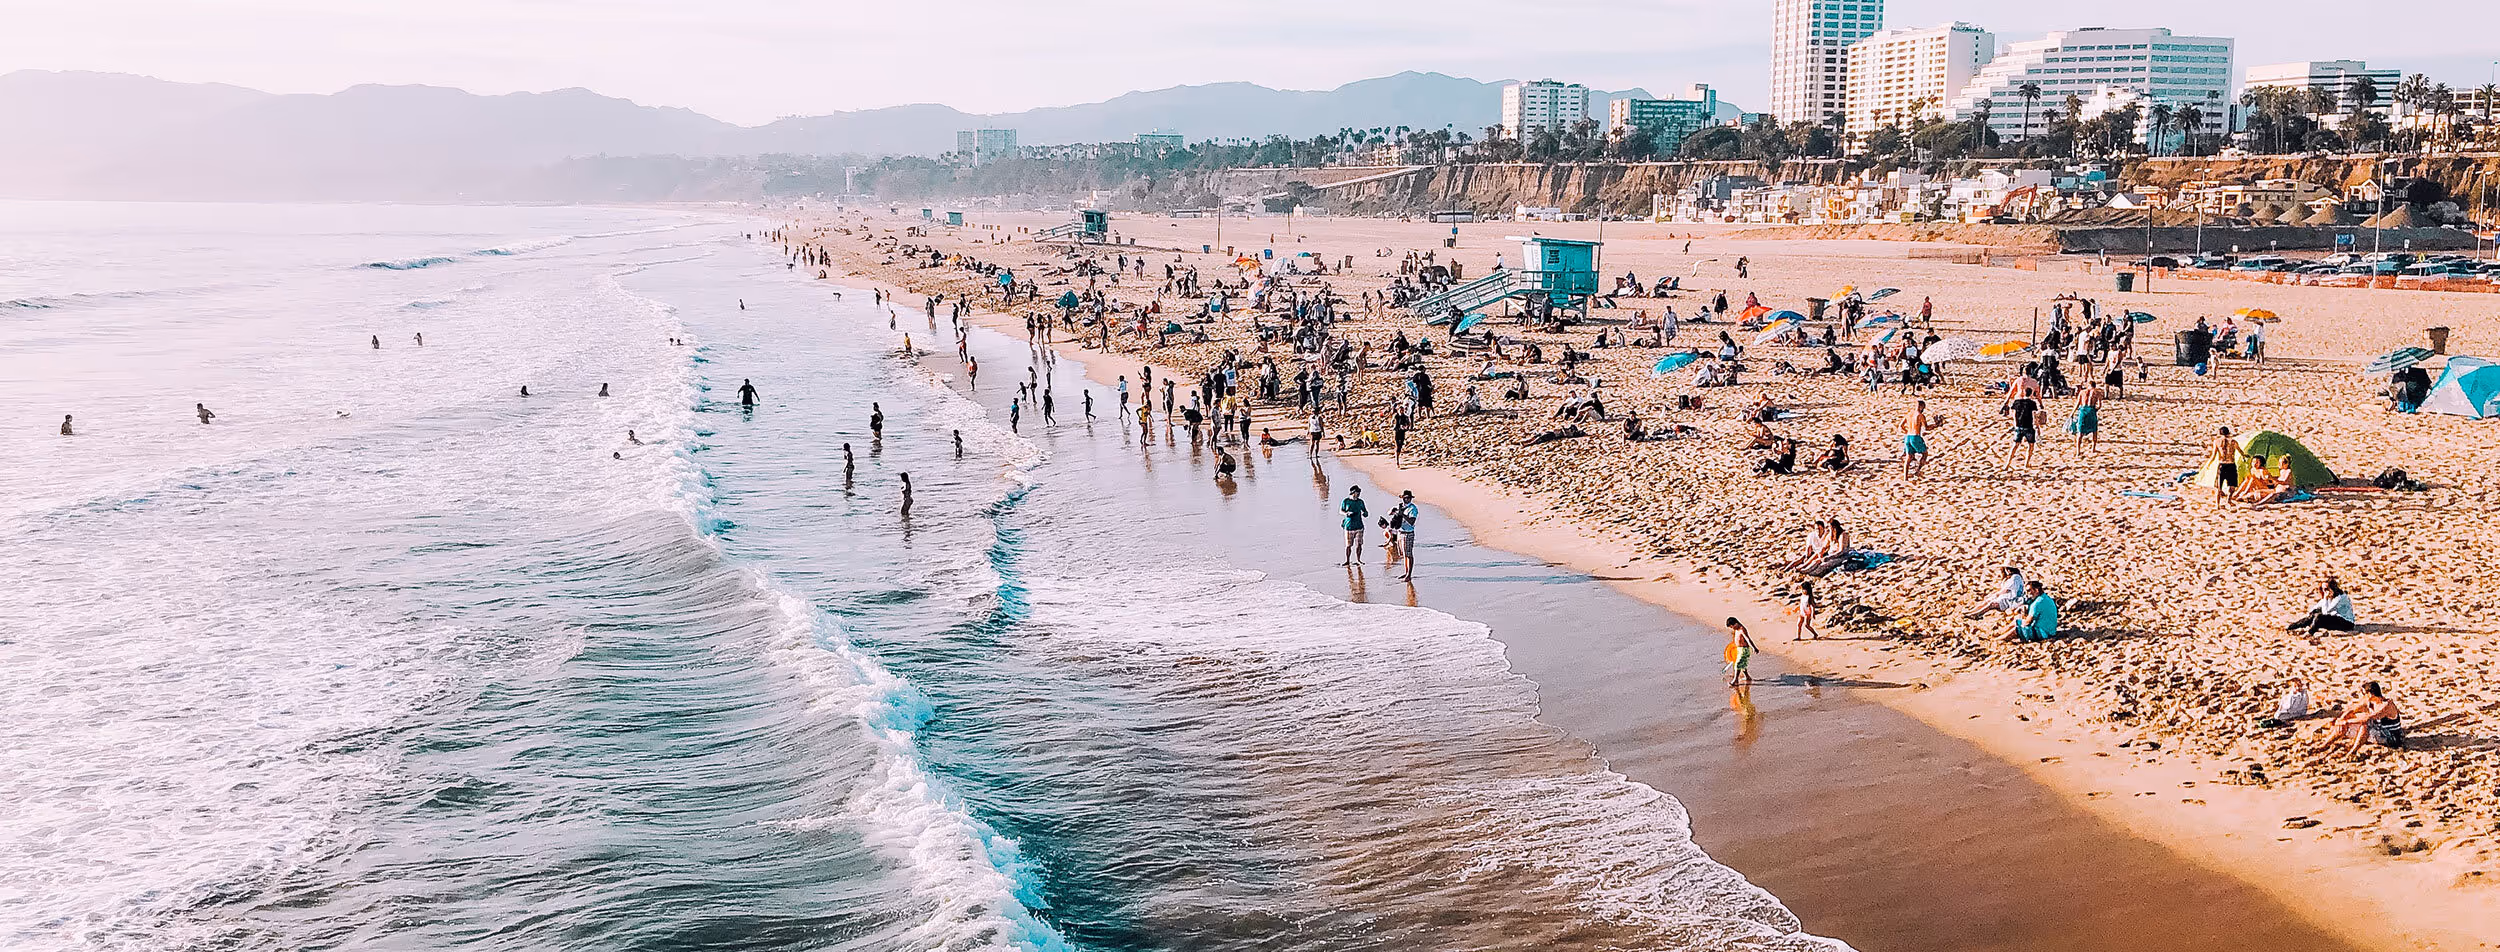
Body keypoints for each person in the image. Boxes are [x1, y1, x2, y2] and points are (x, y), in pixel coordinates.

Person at [2320, 681, 2404, 758]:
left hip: (2392, 737)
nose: (2363, 696)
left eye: (2364, 694)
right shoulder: (2371, 702)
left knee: (2364, 726)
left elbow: (2367, 719)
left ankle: (2352, 752)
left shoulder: (2386, 705)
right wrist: (2341, 720)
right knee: (2342, 724)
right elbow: (2352, 710)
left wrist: (2346, 721)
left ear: (2371, 694)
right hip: (2378, 731)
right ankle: (2324, 745)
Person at [2287, 576, 2357, 633]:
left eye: (2326, 589)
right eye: (2323, 589)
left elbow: (2326, 612)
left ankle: (2311, 632)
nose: (2324, 591)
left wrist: (2325, 598)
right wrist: (2312, 613)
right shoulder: (2330, 595)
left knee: (2319, 617)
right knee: (2315, 613)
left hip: (2346, 623)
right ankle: (2294, 626)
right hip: (2335, 618)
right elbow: (2318, 605)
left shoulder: (2340, 598)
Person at [1901, 399, 1935, 478]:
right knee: (1925, 454)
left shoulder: (1909, 414)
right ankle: (1917, 471)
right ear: (1922, 407)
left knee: (1908, 458)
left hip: (1907, 436)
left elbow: (1901, 426)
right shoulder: (1920, 415)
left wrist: (1907, 431)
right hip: (1915, 436)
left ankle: (1905, 477)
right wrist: (1935, 425)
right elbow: (1926, 428)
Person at [2069, 377, 2103, 453]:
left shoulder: (2082, 392)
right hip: (2091, 410)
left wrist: (2072, 413)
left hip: (2083, 410)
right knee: (2094, 430)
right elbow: (2099, 405)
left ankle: (2078, 451)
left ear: (2088, 385)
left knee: (2080, 431)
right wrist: (2095, 410)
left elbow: (2077, 404)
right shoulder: (2097, 392)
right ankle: (2093, 449)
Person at [1392, 490, 1420, 580]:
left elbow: (1412, 521)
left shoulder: (1413, 508)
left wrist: (1402, 514)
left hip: (1408, 533)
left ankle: (1409, 574)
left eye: (1408, 498)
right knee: (1404, 554)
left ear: (1411, 499)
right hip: (1400, 532)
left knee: (1409, 554)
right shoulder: (1401, 506)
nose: (1406, 500)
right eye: (1405, 498)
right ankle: (1406, 572)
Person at [1338, 485, 1370, 566]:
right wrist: (1346, 513)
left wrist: (1365, 514)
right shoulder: (1346, 501)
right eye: (1357, 492)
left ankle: (1359, 560)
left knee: (1359, 544)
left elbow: (1365, 512)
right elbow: (1341, 511)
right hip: (1348, 526)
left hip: (1359, 526)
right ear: (1353, 493)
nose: (1358, 493)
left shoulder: (1360, 502)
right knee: (1348, 545)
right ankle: (1347, 560)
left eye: (1359, 492)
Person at [2207, 427, 2238, 505]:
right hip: (2231, 464)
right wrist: (2244, 456)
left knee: (2219, 486)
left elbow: (2213, 455)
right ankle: (2229, 500)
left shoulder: (2217, 442)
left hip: (2222, 464)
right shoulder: (2233, 442)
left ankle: (2217, 505)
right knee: (2232, 485)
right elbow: (2240, 451)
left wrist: (2208, 464)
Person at [1722, 617, 1758, 687]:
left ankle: (1735, 681)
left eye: (1732, 626)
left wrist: (1754, 647)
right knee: (1743, 665)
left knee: (1738, 664)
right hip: (1739, 649)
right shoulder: (1736, 630)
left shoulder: (1742, 629)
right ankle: (1748, 677)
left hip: (1744, 650)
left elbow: (1747, 639)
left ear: (1736, 623)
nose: (1732, 628)